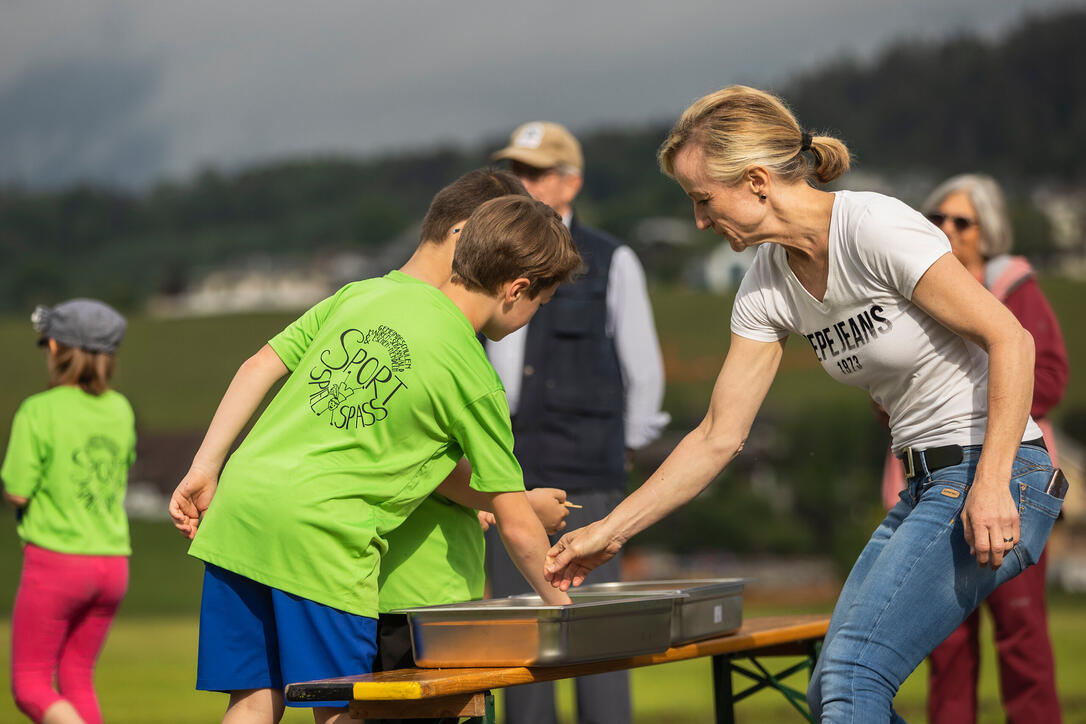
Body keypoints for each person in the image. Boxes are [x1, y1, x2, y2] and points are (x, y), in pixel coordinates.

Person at [543, 86, 1066, 723]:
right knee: (829, 691)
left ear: (757, 181)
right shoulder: (767, 283)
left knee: (852, 679)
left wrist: (990, 483)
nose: (701, 221)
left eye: (703, 200)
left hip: (999, 474)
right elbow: (717, 435)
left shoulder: (873, 226)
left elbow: (1011, 338)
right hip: (928, 485)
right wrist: (607, 531)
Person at [168, 194, 580, 724]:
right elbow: (518, 524)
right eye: (539, 305)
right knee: (344, 708)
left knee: (253, 701)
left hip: (240, 511)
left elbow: (259, 364)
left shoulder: (363, 295)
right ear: (517, 289)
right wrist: (561, 608)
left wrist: (205, 468)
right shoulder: (476, 378)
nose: (532, 318)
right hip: (320, 535)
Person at [372, 168, 573, 724]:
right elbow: (428, 467)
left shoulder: (377, 307)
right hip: (412, 592)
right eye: (540, 302)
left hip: (418, 589)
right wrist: (567, 612)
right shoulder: (456, 355)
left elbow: (409, 454)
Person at [486, 121, 670, 724]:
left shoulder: (613, 259)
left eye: (536, 172)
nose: (523, 182)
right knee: (522, 649)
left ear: (572, 182)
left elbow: (643, 371)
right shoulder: (486, 260)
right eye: (516, 171)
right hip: (506, 473)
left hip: (588, 477)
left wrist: (620, 449)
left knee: (597, 645)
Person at [912, 174, 1066, 724]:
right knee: (946, 643)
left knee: (1022, 636)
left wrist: (983, 394)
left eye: (961, 221)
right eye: (936, 218)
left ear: (989, 232)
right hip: (934, 485)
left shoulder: (1016, 288)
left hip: (1011, 480)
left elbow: (1049, 376)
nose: (946, 229)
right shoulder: (917, 285)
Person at [3, 299, 135, 724]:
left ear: (55, 347)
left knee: (31, 684)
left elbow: (18, 493)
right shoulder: (121, 409)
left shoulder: (38, 410)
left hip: (57, 562)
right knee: (77, 676)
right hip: (112, 563)